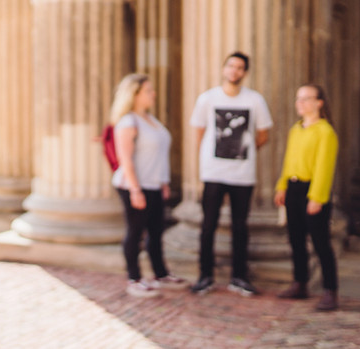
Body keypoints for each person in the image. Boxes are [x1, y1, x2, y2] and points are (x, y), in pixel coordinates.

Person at [189, 52, 273, 296]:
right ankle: (205, 276)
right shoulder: (207, 98)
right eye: (231, 66)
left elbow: (263, 134)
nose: (234, 71)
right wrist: (208, 157)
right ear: (224, 69)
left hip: (242, 174)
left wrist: (244, 151)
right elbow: (198, 132)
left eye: (239, 67)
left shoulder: (255, 100)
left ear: (245, 72)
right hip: (213, 173)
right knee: (208, 225)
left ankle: (239, 277)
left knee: (240, 226)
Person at [109, 73, 188, 298]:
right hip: (133, 186)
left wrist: (163, 182)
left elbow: (159, 155)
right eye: (148, 91)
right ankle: (134, 278)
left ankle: (160, 274)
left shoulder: (151, 120)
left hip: (153, 184)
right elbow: (126, 160)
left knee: (156, 231)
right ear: (134, 94)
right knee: (135, 232)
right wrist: (135, 190)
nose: (153, 94)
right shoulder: (128, 122)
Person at [274, 84, 339, 311]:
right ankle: (300, 283)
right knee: (295, 240)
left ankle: (330, 290)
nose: (300, 103)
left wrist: (317, 198)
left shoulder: (325, 131)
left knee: (321, 242)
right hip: (293, 188)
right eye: (298, 98)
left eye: (305, 98)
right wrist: (281, 186)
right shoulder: (296, 128)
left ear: (319, 102)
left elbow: (324, 167)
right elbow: (289, 160)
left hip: (313, 191)